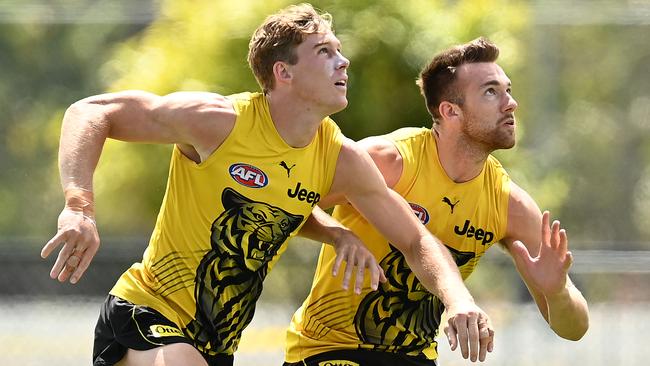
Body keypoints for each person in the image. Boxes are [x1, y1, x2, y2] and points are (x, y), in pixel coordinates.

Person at [40, 5, 493, 366]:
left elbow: (414, 240)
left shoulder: (339, 157)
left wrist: (457, 302)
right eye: (325, 52)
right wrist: (79, 206)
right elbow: (91, 111)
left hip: (215, 345)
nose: (344, 60)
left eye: (339, 50)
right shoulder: (219, 122)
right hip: (146, 312)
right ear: (284, 72)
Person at [284, 37, 590, 366]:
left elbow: (574, 329)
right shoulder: (388, 160)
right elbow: (287, 201)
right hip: (328, 348)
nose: (510, 103)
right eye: (491, 91)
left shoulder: (509, 204)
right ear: (450, 111)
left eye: (509, 90)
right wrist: (337, 233)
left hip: (415, 356)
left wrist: (556, 292)